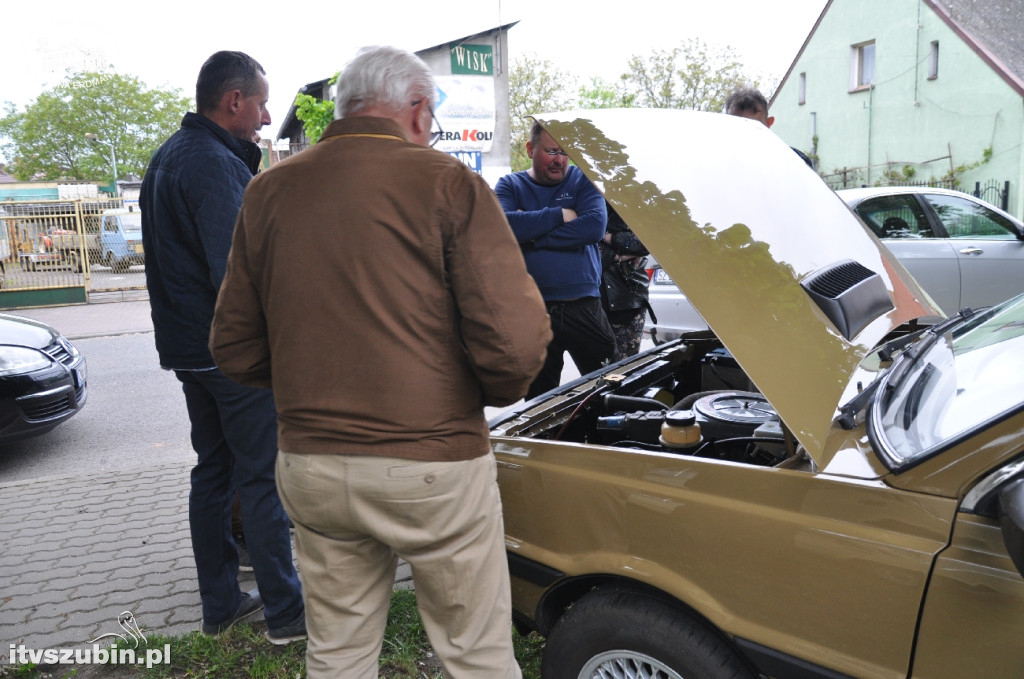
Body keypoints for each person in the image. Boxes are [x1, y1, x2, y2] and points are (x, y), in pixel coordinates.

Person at [209, 45, 551, 678]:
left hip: (312, 466)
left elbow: (233, 345)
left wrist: (307, 387)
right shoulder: (449, 183)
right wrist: (479, 396)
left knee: (336, 651)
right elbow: (513, 346)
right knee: (475, 652)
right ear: (417, 110)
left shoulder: (268, 192)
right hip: (434, 466)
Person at [140, 50, 305, 644]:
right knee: (261, 479)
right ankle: (287, 614)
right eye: (261, 104)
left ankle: (220, 605)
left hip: (188, 349)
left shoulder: (169, 155)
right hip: (228, 352)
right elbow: (237, 271)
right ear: (233, 100)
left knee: (214, 473)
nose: (265, 117)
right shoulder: (211, 163)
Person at [495, 120, 617, 399]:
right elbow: (502, 227)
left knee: (607, 388)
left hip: (584, 305)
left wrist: (534, 237)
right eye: (551, 152)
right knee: (538, 402)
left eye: (565, 153)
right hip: (533, 310)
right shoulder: (510, 185)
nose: (559, 160)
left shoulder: (582, 179)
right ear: (529, 149)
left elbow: (594, 226)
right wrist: (559, 215)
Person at [600, 203, 653, 361]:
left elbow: (646, 243)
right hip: (593, 304)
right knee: (597, 372)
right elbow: (581, 247)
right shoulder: (584, 200)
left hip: (629, 301)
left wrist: (608, 237)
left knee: (624, 369)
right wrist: (618, 256)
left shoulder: (631, 204)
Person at [724, 87, 814, 168]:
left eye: (754, 126)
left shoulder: (797, 162)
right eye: (738, 126)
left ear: (768, 123)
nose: (746, 134)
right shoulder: (720, 162)